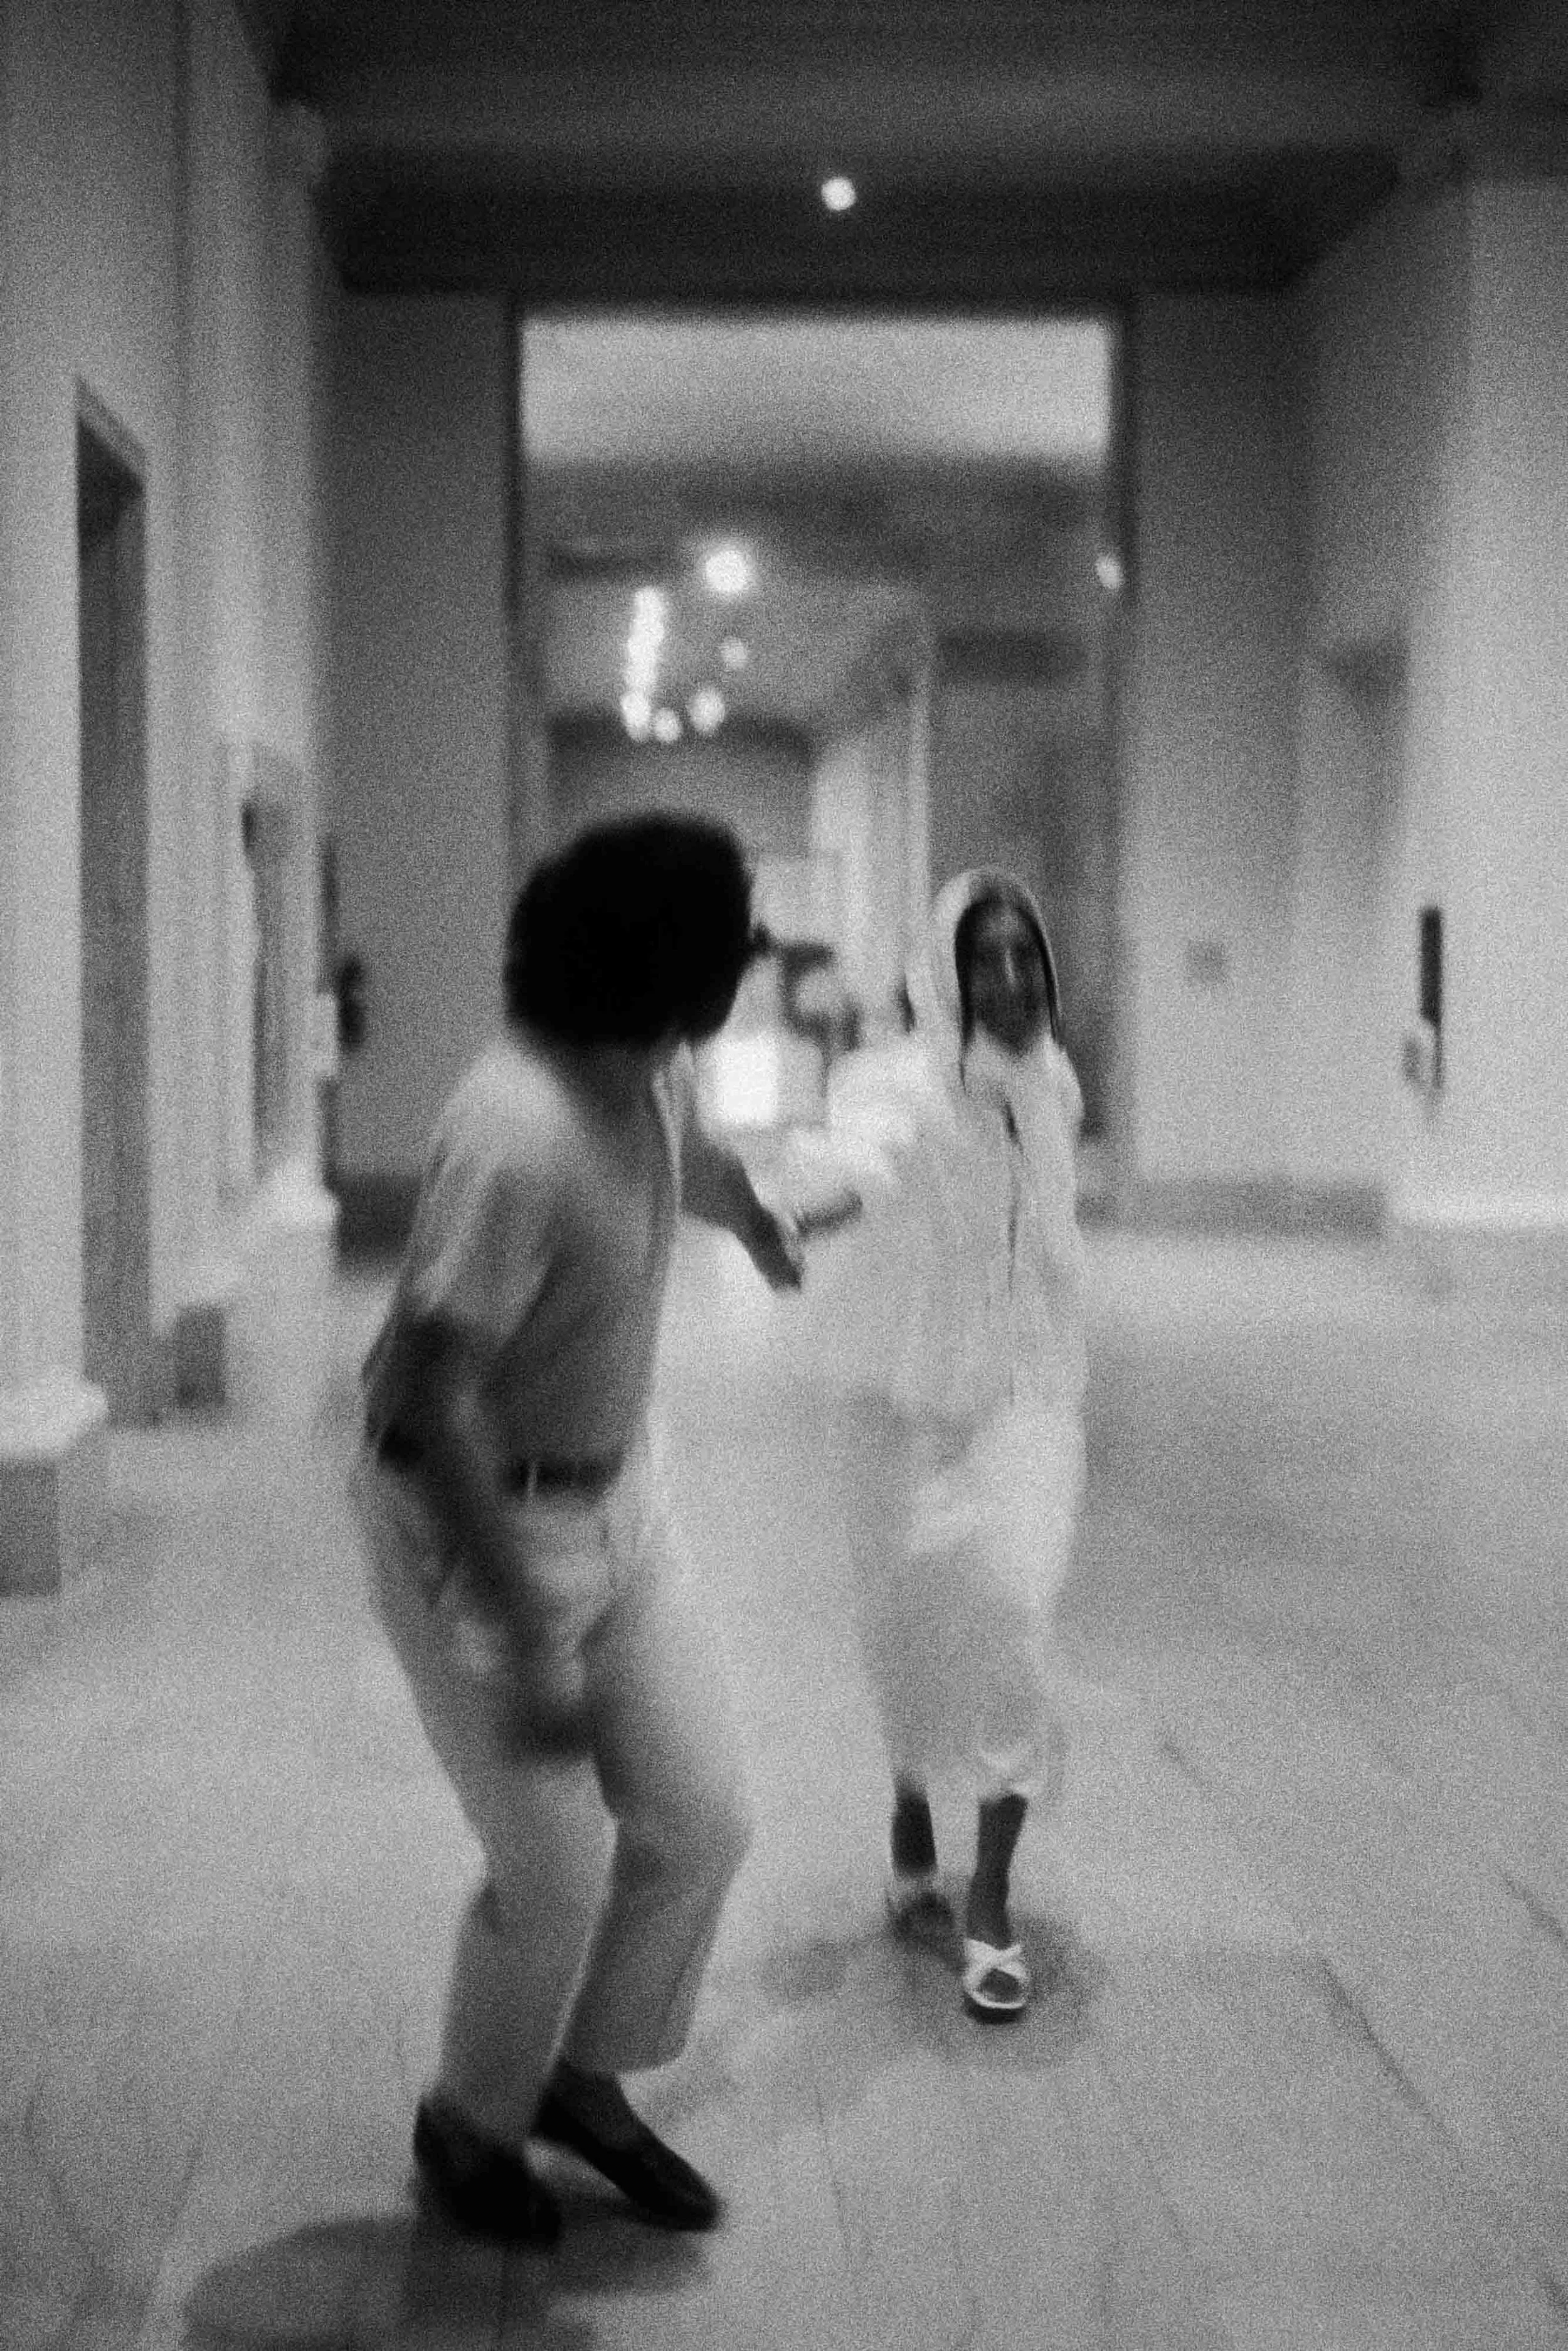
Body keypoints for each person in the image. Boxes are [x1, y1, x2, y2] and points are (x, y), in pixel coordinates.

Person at [349, 813, 804, 2246]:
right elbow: (428, 1394)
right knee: (552, 1865)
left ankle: (584, 2083)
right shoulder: (515, 1131)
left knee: (701, 1816)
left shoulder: (646, 1063)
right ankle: (468, 2126)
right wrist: (531, 1629)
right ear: (679, 971)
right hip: (466, 1518)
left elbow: (698, 1159)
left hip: (620, 1491)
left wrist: (757, 1222)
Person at [776, 867, 1087, 2020]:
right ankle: (910, 1792)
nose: (1011, 979)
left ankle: (991, 1893)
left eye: (1027, 956)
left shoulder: (1053, 1083)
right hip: (898, 1394)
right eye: (985, 960)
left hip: (1027, 1391)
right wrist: (789, 1216)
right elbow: (856, 1167)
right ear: (946, 980)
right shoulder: (894, 1084)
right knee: (899, 1621)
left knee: (1017, 1608)